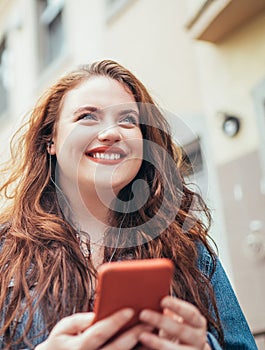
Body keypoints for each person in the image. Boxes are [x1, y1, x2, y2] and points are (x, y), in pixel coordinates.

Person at [0, 59, 257, 350]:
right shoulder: (5, 254)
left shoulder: (188, 248)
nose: (112, 133)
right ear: (51, 141)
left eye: (127, 120)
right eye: (87, 116)